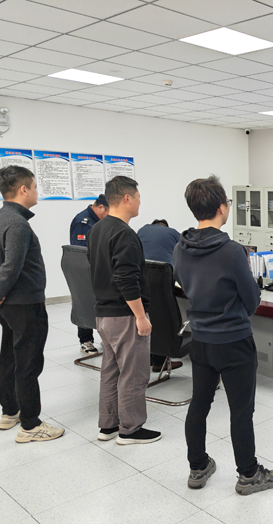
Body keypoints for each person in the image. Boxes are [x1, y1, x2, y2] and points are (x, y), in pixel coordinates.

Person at [174, 175, 273, 495]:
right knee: (241, 410)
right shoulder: (232, 251)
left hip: (201, 340)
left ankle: (197, 467)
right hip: (234, 341)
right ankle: (248, 474)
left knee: (199, 404)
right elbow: (251, 300)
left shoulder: (180, 247)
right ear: (222, 207)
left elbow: (184, 285)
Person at [0, 166, 65, 443]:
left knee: (9, 357)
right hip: (25, 304)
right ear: (23, 189)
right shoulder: (17, 224)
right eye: (35, 187)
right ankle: (30, 425)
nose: (37, 192)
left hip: (9, 306)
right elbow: (11, 267)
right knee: (28, 364)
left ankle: (10, 411)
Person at [87, 176, 161, 445]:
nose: (140, 201)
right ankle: (130, 429)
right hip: (125, 315)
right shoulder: (125, 234)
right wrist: (140, 316)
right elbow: (126, 279)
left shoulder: (97, 229)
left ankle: (108, 425)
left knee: (111, 371)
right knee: (134, 373)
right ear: (127, 198)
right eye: (138, 196)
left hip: (104, 315)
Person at [137, 219, 183, 373]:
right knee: (163, 316)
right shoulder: (174, 234)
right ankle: (160, 361)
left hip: (139, 277)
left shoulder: (142, 230)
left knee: (149, 315)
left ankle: (151, 357)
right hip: (162, 277)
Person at [69, 194, 108, 355]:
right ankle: (85, 341)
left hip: (98, 269)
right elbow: (82, 252)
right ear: (100, 207)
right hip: (85, 270)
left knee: (98, 304)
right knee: (84, 303)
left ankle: (105, 335)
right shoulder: (83, 222)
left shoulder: (97, 220)